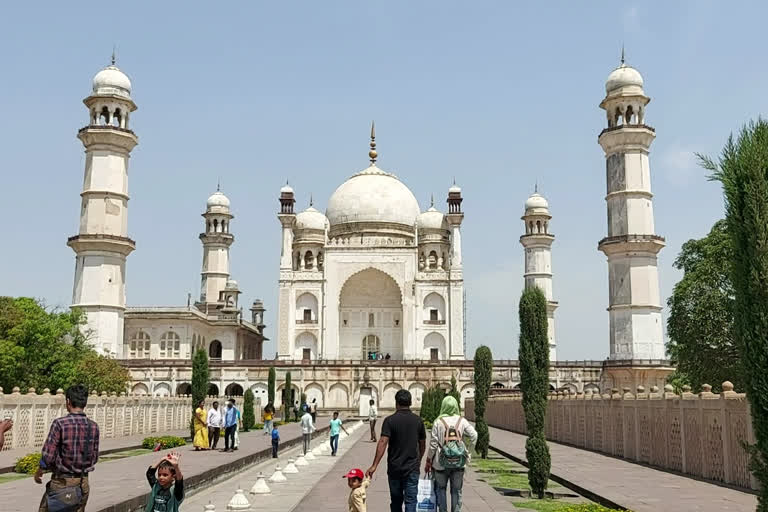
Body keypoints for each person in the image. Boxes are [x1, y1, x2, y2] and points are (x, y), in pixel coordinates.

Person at [36, 384, 100, 512]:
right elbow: (94, 457)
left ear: (68, 402)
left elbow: (48, 455)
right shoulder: (93, 426)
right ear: (85, 403)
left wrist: (40, 470)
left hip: (62, 483)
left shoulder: (60, 424)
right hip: (82, 482)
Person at [366, 389, 426, 512]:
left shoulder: (390, 421)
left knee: (396, 501)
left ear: (396, 403)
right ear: (410, 403)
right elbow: (422, 444)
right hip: (412, 469)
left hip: (395, 469)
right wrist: (419, 460)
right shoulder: (417, 420)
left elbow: (383, 442)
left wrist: (374, 465)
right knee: (411, 502)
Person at [425, 396, 477, 512]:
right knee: (456, 491)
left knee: (441, 489)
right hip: (458, 462)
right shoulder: (461, 421)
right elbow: (474, 435)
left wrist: (428, 460)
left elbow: (433, 444)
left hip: (440, 462)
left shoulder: (438, 422)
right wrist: (468, 452)